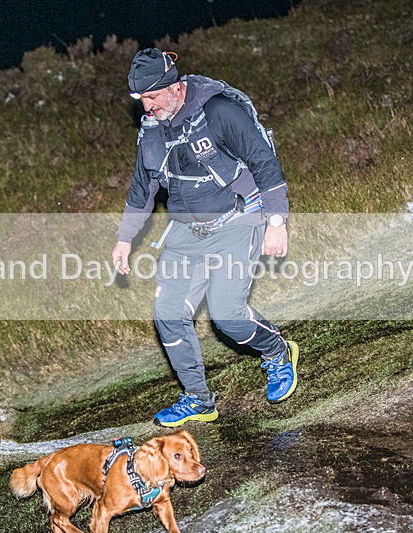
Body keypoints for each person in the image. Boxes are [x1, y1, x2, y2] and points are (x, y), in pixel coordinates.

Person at [112, 48, 299, 427]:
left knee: (227, 316)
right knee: (167, 314)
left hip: (236, 219)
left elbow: (264, 162)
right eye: (141, 100)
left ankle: (278, 353)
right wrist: (125, 237)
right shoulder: (152, 127)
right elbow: (143, 185)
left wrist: (276, 221)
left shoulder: (218, 112)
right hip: (185, 230)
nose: (146, 108)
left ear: (175, 87)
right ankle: (198, 399)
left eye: (152, 97)